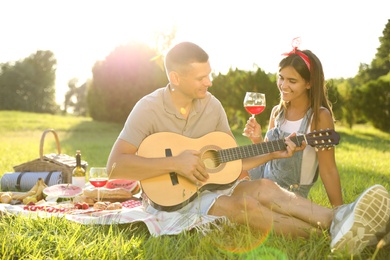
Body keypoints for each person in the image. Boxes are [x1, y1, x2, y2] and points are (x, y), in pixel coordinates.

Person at [106, 41, 390, 255]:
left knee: (265, 187)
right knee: (244, 207)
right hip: (173, 198)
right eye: (201, 78)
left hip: (211, 188)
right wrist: (175, 163)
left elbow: (227, 164)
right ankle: (335, 235)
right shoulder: (148, 108)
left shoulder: (212, 105)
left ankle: (339, 218)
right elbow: (115, 165)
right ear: (176, 79)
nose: (210, 82)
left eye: (209, 74)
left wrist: (270, 152)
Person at [244, 37, 342, 207]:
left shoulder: (319, 117)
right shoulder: (277, 112)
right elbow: (268, 159)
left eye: (292, 81)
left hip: (290, 195)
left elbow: (329, 170)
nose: (283, 85)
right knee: (231, 171)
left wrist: (339, 210)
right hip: (263, 182)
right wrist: (257, 140)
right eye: (281, 78)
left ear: (309, 83)